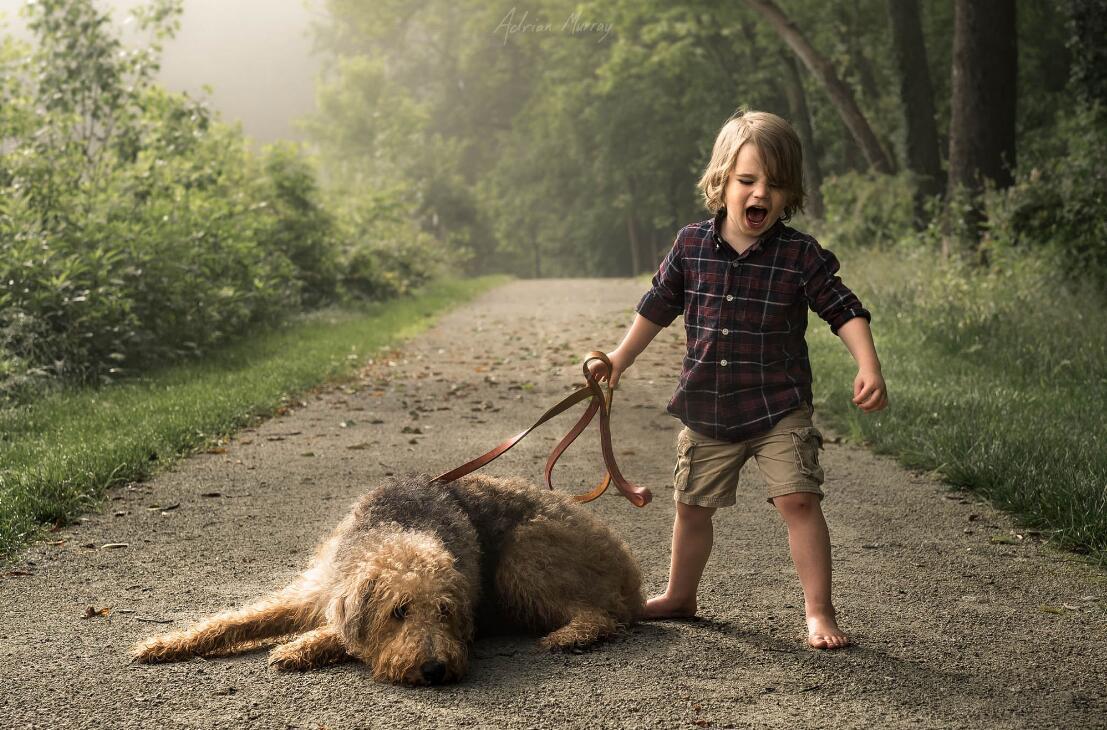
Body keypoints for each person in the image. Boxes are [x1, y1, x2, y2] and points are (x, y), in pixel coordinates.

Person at [590, 109, 888, 649]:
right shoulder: (690, 245)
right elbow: (656, 307)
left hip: (779, 406)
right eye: (747, 180)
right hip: (709, 406)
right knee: (692, 506)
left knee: (799, 500)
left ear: (789, 192)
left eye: (774, 185)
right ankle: (681, 595)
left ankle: (819, 613)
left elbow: (844, 309)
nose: (760, 194)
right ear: (722, 182)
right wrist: (618, 358)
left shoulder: (799, 256)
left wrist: (868, 364)